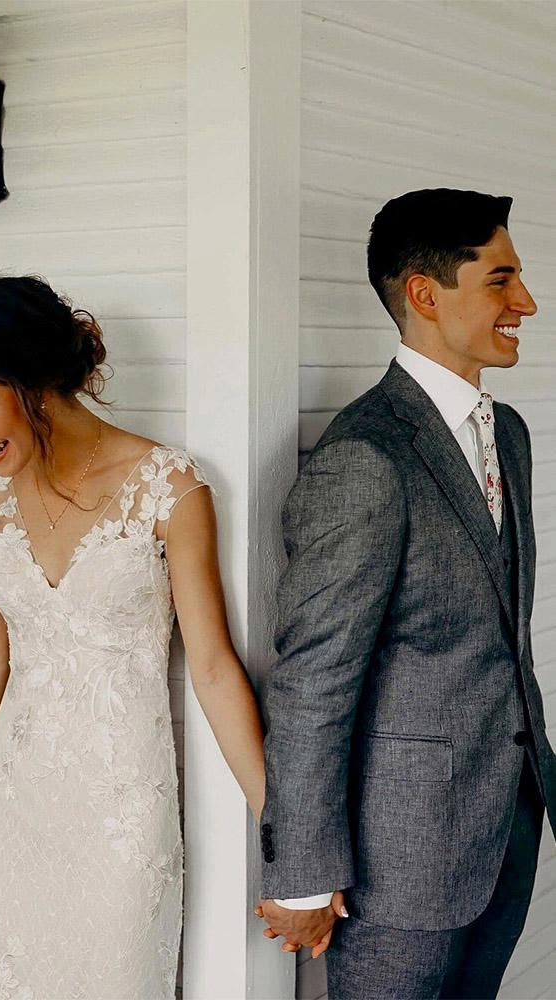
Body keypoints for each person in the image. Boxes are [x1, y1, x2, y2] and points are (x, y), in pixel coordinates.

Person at [0, 275, 265, 1000]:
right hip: (17, 814)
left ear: (37, 382)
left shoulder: (168, 486)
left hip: (122, 819)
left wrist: (284, 829)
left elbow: (212, 668)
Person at [257, 189, 556, 998]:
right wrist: (302, 875)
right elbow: (313, 676)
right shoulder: (365, 456)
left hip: (510, 826)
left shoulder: (511, 435)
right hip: (402, 860)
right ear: (425, 294)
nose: (524, 303)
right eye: (501, 281)